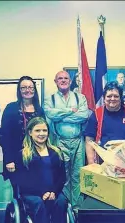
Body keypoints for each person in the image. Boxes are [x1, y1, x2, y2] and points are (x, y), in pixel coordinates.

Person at [11, 117, 68, 223]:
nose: (41, 134)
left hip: (53, 193)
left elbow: (62, 177)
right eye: (37, 130)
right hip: (32, 195)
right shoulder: (23, 154)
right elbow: (22, 180)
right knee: (39, 206)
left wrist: (54, 192)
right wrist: (42, 192)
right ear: (30, 133)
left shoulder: (56, 152)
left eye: (44, 130)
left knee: (62, 203)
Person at [43, 70, 89, 209]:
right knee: (63, 176)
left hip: (78, 141)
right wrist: (71, 111)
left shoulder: (80, 98)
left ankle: (76, 208)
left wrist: (60, 115)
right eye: (60, 78)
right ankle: (64, 207)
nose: (63, 80)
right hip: (59, 142)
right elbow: (51, 114)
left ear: (70, 81)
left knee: (77, 176)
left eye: (66, 78)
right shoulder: (49, 100)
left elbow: (84, 115)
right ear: (55, 81)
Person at [1, 76, 45, 189]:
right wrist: (9, 160)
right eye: (24, 87)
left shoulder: (39, 110)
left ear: (34, 90)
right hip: (15, 158)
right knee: (19, 192)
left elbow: (44, 135)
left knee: (35, 191)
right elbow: (5, 136)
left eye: (30, 87)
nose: (27, 90)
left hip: (35, 157)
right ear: (19, 90)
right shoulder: (11, 108)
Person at [84, 81, 125, 164]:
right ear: (104, 98)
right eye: (109, 96)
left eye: (116, 96)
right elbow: (89, 140)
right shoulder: (97, 114)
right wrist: (91, 163)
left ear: (120, 98)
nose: (112, 99)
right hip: (103, 163)